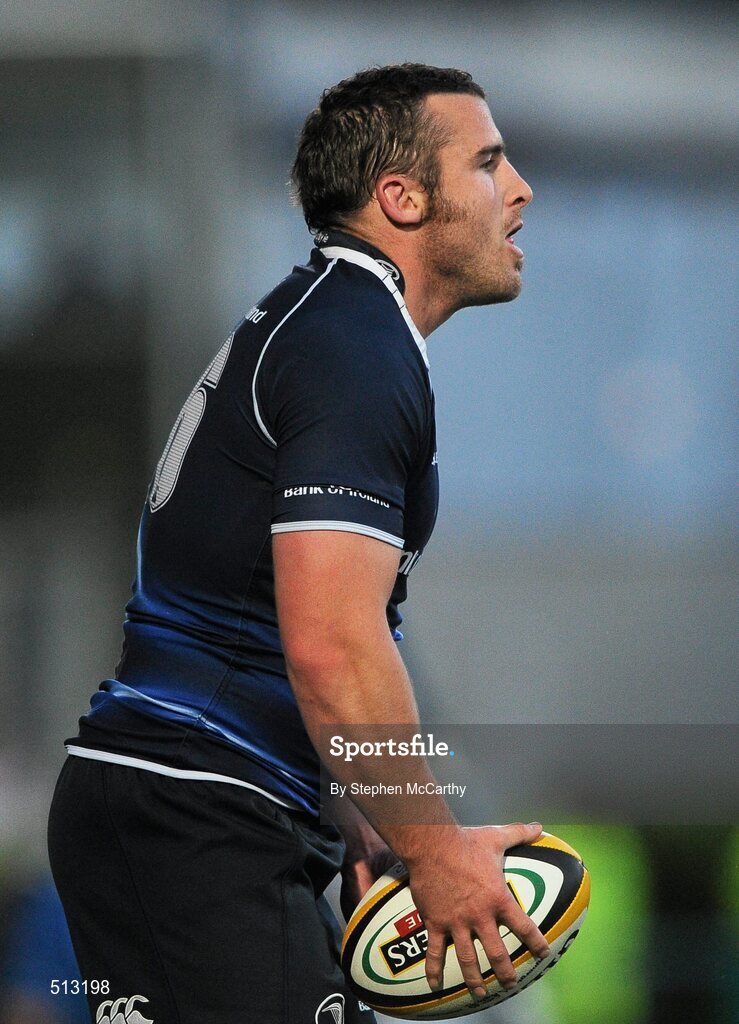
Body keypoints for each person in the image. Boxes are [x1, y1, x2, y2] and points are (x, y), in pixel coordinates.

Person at [48, 63, 548, 1024]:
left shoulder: (333, 323)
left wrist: (364, 803)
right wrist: (436, 849)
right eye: (487, 162)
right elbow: (333, 643)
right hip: (194, 807)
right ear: (400, 198)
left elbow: (264, 611)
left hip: (181, 803)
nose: (519, 187)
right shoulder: (354, 348)